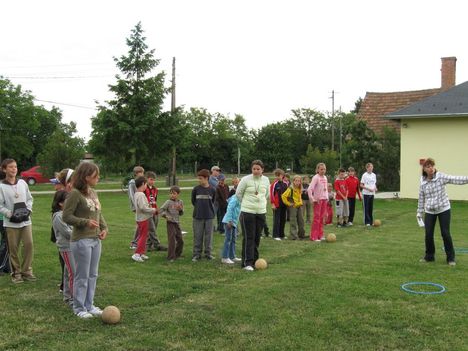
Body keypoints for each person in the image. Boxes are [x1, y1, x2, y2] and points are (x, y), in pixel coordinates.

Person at [62, 162, 108, 319]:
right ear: (87, 177)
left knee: (93, 274)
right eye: (96, 176)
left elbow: (98, 213)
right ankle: (79, 307)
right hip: (81, 240)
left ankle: (90, 305)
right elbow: (66, 216)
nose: (98, 178)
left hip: (95, 239)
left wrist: (104, 228)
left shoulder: (93, 192)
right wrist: (84, 222)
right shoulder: (75, 194)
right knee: (82, 275)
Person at [417, 158, 468, 266]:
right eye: (428, 166)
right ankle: (429, 256)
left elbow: (456, 179)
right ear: (424, 169)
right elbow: (421, 197)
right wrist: (419, 212)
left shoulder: (441, 177)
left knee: (445, 233)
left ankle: (450, 258)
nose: (431, 168)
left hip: (444, 209)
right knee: (428, 234)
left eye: (432, 166)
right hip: (430, 211)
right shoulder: (422, 181)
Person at [0, 159, 34, 284]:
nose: (14, 169)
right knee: (13, 248)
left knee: (29, 245)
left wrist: (28, 210)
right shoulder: (1, 186)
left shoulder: (22, 183)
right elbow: (0, 205)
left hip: (25, 221)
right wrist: (9, 214)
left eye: (15, 166)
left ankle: (27, 271)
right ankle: (16, 273)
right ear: (4, 169)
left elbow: (30, 199)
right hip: (11, 223)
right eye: (10, 167)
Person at [236, 160, 270, 271]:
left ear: (262, 170)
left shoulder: (266, 180)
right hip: (247, 212)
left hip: (260, 212)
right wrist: (246, 204)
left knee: (256, 237)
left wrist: (260, 204)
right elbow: (238, 193)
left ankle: (255, 260)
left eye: (258, 169)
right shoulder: (245, 179)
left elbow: (266, 194)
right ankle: (247, 263)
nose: (256, 171)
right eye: (254, 169)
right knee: (249, 237)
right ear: (252, 169)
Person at [51, 168, 74, 292]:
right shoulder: (62, 193)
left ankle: (65, 286)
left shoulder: (71, 192)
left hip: (70, 232)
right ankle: (66, 287)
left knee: (69, 264)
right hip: (63, 233)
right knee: (65, 261)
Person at [52, 190, 75, 306]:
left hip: (73, 246)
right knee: (73, 272)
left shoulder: (69, 213)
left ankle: (67, 296)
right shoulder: (58, 216)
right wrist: (80, 234)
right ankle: (72, 298)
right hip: (66, 247)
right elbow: (67, 232)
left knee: (68, 271)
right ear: (60, 203)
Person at [191, 169, 216, 261]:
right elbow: (193, 201)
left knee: (209, 236)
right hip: (198, 216)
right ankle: (196, 254)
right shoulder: (196, 189)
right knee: (198, 235)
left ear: (206, 178)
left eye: (201, 178)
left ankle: (208, 253)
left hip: (209, 216)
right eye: (199, 178)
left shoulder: (212, 190)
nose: (199, 180)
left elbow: (213, 201)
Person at [132, 176, 157, 263]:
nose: (146, 185)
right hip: (143, 219)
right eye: (146, 184)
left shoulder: (136, 194)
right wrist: (153, 210)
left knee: (144, 235)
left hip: (140, 218)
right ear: (143, 184)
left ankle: (141, 253)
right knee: (143, 236)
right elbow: (143, 208)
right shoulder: (141, 194)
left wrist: (148, 207)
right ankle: (137, 254)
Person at [159, 186, 184, 262]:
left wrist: (180, 210)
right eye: (171, 193)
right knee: (172, 239)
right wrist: (165, 216)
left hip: (177, 223)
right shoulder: (168, 202)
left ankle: (177, 254)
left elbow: (181, 213)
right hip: (170, 223)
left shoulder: (180, 202)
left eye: (174, 193)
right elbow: (161, 210)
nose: (172, 195)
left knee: (180, 239)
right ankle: (170, 257)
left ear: (178, 194)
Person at [144, 171, 166, 251]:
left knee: (154, 228)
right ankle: (157, 245)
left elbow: (154, 201)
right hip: (147, 212)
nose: (152, 181)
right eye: (151, 179)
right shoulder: (143, 189)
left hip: (154, 211)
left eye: (154, 180)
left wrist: (156, 210)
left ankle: (148, 245)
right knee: (151, 229)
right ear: (146, 179)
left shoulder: (155, 189)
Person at [308, 163, 328, 242]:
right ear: (317, 170)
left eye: (324, 169)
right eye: (321, 169)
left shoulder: (325, 177)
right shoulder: (315, 178)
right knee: (317, 218)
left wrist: (327, 198)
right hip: (318, 201)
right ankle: (314, 236)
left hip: (324, 200)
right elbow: (310, 189)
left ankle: (320, 235)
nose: (323, 171)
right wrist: (312, 199)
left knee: (322, 218)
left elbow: (325, 189)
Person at [281, 175, 305, 240]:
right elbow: (283, 196)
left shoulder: (300, 188)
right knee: (293, 221)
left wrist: (300, 202)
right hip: (293, 207)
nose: (297, 182)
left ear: (300, 182)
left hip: (299, 206)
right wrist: (288, 203)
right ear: (293, 181)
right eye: (296, 181)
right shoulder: (290, 189)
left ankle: (301, 235)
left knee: (301, 221)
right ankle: (293, 236)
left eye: (299, 181)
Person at [220, 194, 242, 264]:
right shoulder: (236, 198)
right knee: (228, 239)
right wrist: (229, 220)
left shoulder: (240, 198)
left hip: (234, 222)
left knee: (233, 239)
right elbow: (229, 207)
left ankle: (232, 256)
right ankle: (225, 257)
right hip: (229, 221)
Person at [128, 166, 145, 249]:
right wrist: (136, 205)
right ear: (136, 173)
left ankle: (139, 241)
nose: (142, 174)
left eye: (143, 172)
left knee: (141, 224)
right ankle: (134, 243)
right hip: (136, 206)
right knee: (139, 224)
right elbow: (132, 195)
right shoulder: (132, 182)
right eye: (141, 172)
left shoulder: (140, 181)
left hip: (140, 205)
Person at [270, 168, 287, 241]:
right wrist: (273, 203)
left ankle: (281, 234)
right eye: (276, 175)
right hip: (277, 205)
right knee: (277, 220)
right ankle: (275, 235)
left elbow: (287, 194)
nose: (277, 177)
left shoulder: (285, 183)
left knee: (283, 219)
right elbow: (271, 194)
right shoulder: (274, 184)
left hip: (284, 204)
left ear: (282, 175)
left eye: (279, 175)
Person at [0, 170, 10, 275]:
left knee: (5, 242)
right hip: (3, 218)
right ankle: (1, 266)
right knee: (7, 243)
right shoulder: (3, 187)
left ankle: (6, 267)